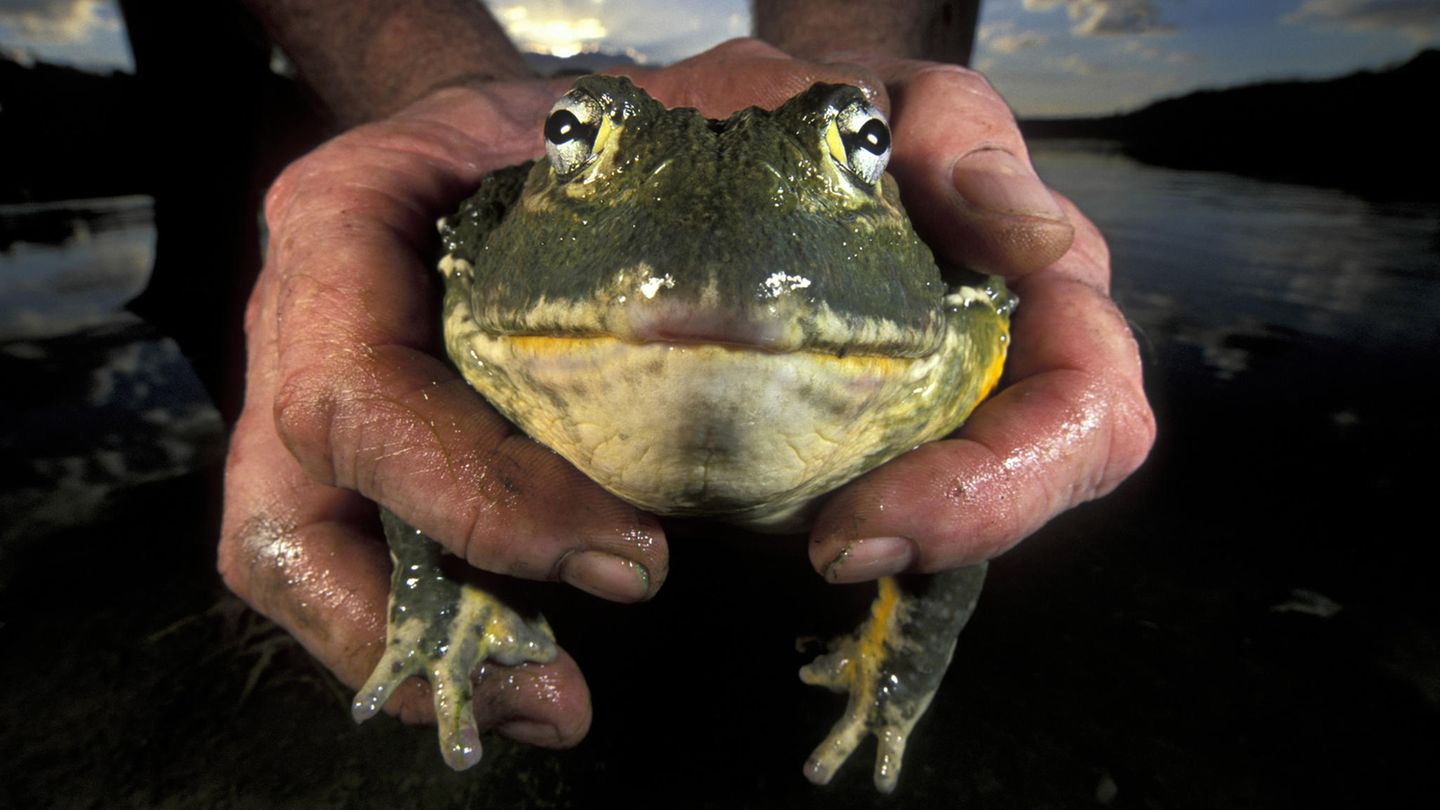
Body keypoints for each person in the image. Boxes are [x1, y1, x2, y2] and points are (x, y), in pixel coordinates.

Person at [219, 0, 1155, 749]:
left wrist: (910, 649)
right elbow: (404, 391)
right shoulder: (472, 244)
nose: (715, 286)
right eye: (573, 135)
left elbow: (968, 487)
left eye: (863, 148)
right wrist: (429, 576)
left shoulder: (943, 302)